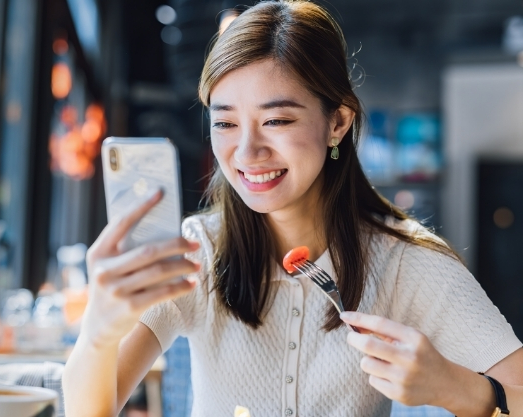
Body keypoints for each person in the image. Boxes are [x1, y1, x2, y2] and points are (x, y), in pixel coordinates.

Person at [62, 1, 523, 416]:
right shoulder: (197, 253)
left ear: (338, 122)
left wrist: (457, 390)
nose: (246, 151)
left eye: (277, 120)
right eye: (225, 122)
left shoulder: (406, 262)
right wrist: (100, 330)